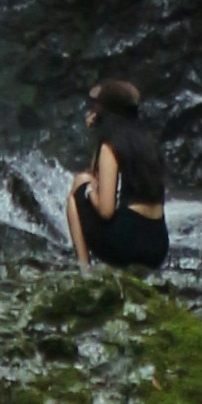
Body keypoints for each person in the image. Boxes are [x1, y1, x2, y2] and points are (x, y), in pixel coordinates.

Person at [63, 76, 170, 272]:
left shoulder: (111, 145)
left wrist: (89, 192)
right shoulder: (148, 142)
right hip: (158, 247)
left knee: (79, 187)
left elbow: (106, 210)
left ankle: (84, 271)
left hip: (127, 247)